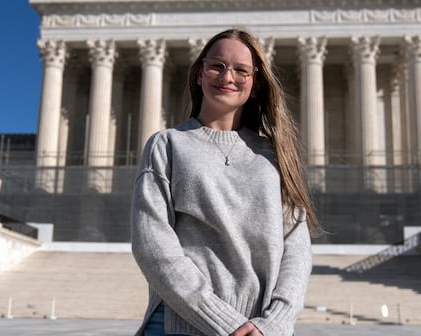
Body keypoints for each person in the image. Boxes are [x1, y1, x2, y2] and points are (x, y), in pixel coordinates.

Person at [131, 29, 319, 336]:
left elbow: (296, 249)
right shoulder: (167, 145)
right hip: (182, 323)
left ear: (255, 84)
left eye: (241, 70)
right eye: (217, 65)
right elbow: (152, 243)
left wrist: (273, 324)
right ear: (199, 75)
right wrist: (223, 320)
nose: (227, 76)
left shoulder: (276, 154)